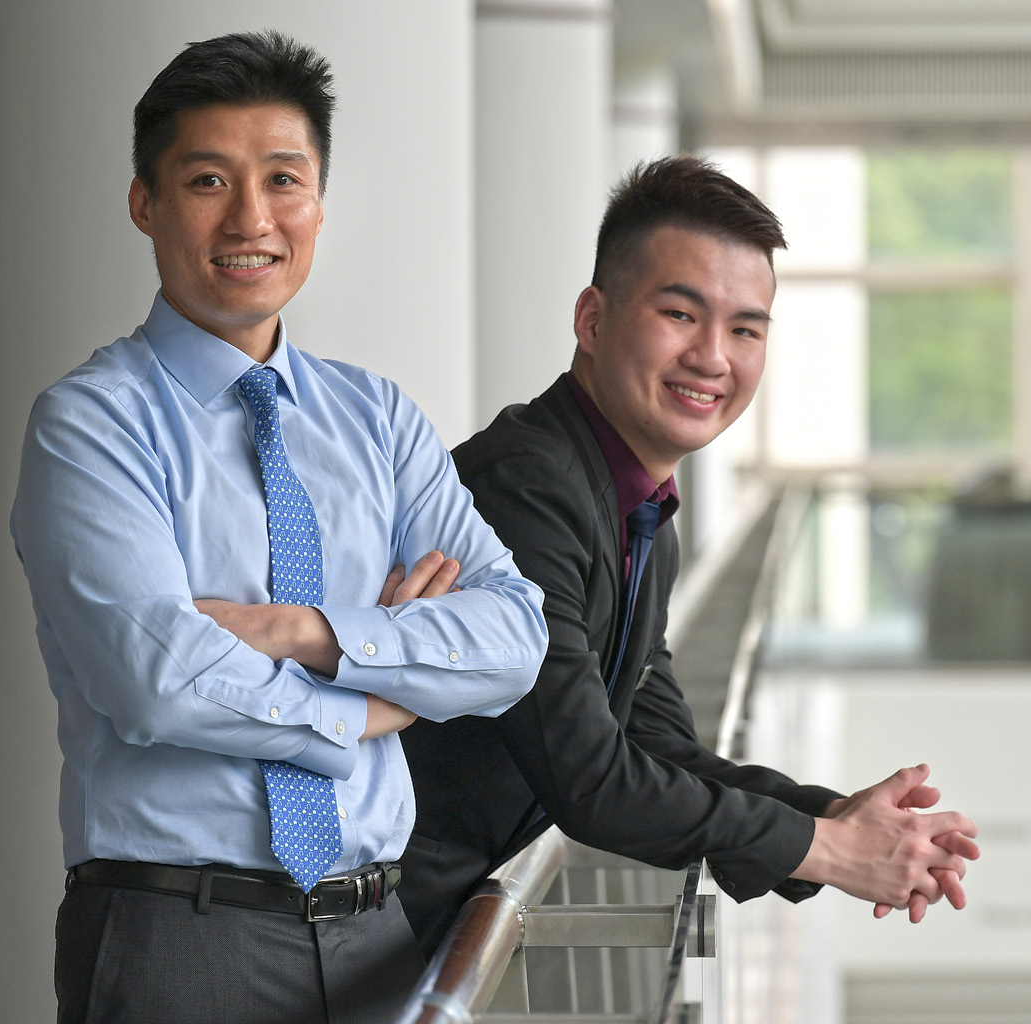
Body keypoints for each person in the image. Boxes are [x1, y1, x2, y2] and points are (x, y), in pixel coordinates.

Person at [9, 31, 548, 1024]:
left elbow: (515, 636)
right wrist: (380, 703)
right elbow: (156, 679)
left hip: (377, 931)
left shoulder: (376, 420)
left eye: (283, 180)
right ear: (146, 203)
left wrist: (314, 634)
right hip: (179, 939)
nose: (252, 218)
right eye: (209, 179)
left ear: (319, 204)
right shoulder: (90, 422)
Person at [398, 155, 980, 956]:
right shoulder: (526, 491)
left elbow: (655, 746)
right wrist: (829, 851)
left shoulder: (638, 510)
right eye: (681, 314)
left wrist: (835, 820)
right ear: (593, 320)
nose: (714, 356)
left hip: (433, 925)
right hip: (368, 928)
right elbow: (593, 781)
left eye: (745, 328)